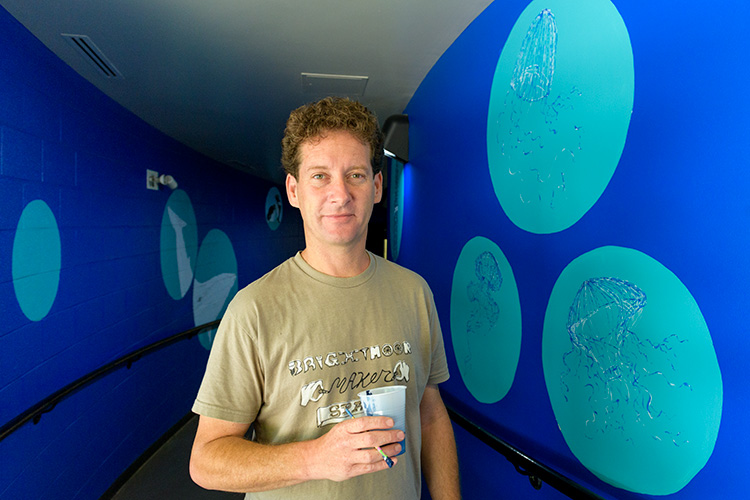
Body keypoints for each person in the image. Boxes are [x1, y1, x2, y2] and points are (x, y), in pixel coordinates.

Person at [189, 96, 460, 499]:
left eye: (355, 174)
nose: (340, 194)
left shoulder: (414, 292)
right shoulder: (253, 310)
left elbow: (431, 413)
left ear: (377, 186)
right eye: (319, 176)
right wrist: (315, 458)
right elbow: (206, 460)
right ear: (294, 190)